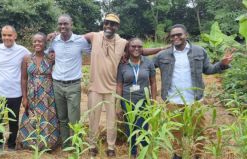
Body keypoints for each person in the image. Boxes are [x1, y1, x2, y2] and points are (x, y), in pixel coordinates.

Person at [83, 13, 165, 157]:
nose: (109, 26)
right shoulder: (93, 36)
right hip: (94, 87)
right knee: (93, 119)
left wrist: (161, 48)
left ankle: (111, 147)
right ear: (103, 23)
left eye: (112, 24)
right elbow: (73, 40)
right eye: (107, 23)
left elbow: (140, 51)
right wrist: (55, 35)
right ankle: (92, 145)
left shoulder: (123, 42)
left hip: (113, 88)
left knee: (112, 120)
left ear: (117, 26)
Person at [153, 24, 233, 159]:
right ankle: (177, 155)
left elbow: (208, 70)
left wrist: (222, 64)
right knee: (175, 131)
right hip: (173, 101)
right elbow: (147, 66)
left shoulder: (199, 51)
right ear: (170, 38)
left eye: (179, 34)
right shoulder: (163, 55)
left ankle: (197, 155)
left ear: (186, 35)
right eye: (173, 35)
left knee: (199, 130)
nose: (176, 37)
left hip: (195, 100)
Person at [48, 14, 90, 148]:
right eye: (60, 24)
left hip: (74, 85)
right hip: (57, 84)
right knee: (62, 117)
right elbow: (44, 52)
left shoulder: (80, 40)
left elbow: (93, 53)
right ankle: (66, 145)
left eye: (65, 23)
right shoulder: (54, 41)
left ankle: (76, 144)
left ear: (71, 24)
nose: (62, 26)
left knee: (74, 118)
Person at [0, 25, 31, 150]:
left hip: (15, 93)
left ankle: (12, 145)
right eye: (4, 35)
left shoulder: (23, 51)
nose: (6, 37)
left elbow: (35, 58)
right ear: (1, 36)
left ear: (15, 36)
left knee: (13, 121)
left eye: (9, 35)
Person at [17, 32, 59, 150]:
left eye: (40, 41)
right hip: (32, 93)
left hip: (47, 93)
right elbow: (24, 78)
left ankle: (48, 144)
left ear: (44, 43)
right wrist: (24, 97)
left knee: (47, 116)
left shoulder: (50, 58)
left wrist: (54, 35)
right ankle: (30, 143)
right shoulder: (27, 58)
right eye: (35, 41)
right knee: (31, 116)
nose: (37, 43)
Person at [116, 38, 157, 158]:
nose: (136, 49)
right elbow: (119, 85)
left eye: (139, 46)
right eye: (133, 46)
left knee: (143, 127)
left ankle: (144, 152)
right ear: (128, 48)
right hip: (127, 102)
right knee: (130, 128)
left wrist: (153, 101)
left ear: (142, 48)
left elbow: (153, 83)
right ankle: (133, 153)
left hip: (144, 101)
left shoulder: (148, 63)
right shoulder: (122, 64)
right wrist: (118, 104)